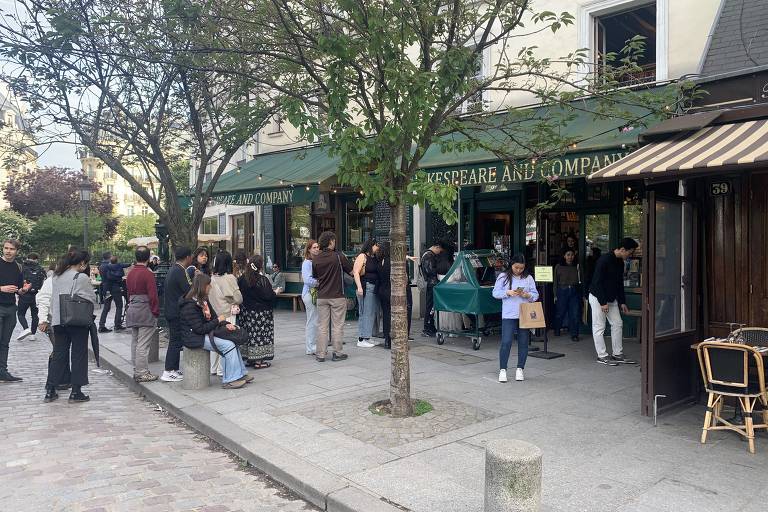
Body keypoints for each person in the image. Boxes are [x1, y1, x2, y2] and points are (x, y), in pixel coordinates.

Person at [179, 273, 253, 389]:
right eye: (209, 285)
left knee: (232, 341)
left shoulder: (203, 301)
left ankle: (240, 374)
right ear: (203, 286)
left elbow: (214, 318)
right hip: (193, 337)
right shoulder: (189, 306)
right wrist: (218, 320)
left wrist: (227, 324)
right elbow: (200, 329)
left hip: (205, 333)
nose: (211, 287)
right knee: (228, 345)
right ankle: (230, 379)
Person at [43, 248, 98, 402]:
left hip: (59, 320)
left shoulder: (56, 276)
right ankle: (76, 391)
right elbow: (91, 298)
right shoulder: (81, 277)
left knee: (59, 355)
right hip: (76, 319)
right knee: (79, 354)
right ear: (82, 263)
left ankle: (50, 389)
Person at [589, 237, 639, 366]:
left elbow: (619, 284)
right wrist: (603, 302)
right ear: (622, 249)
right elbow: (597, 282)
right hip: (598, 297)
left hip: (611, 298)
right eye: (630, 252)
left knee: (618, 323)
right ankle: (602, 355)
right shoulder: (604, 260)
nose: (631, 255)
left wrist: (622, 302)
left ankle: (617, 354)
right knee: (599, 326)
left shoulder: (620, 262)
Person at [492, 253, 538, 383]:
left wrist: (527, 294)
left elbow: (535, 294)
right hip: (509, 314)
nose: (518, 270)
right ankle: (503, 369)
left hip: (524, 314)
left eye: (521, 268)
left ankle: (520, 369)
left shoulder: (528, 278)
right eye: (516, 267)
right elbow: (495, 293)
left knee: (523, 343)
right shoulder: (503, 276)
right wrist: (507, 292)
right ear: (511, 265)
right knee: (506, 342)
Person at [312, 231, 351, 363]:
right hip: (337, 296)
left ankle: (320, 354)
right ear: (330, 242)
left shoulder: (316, 258)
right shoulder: (339, 257)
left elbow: (316, 276)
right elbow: (351, 271)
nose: (335, 243)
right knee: (337, 326)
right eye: (334, 241)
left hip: (322, 296)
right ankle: (337, 353)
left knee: (322, 326)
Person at [125, 246, 160, 382]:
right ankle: (142, 372)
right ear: (148, 258)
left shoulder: (130, 273)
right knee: (143, 344)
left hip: (133, 307)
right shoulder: (148, 273)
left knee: (135, 341)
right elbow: (153, 295)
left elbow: (128, 293)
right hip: (145, 309)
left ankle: (137, 368)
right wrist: (155, 311)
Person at [0, 239, 31, 382]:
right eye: (6, 248)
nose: (8, 251)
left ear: (16, 251)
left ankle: (3, 371)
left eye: (11, 249)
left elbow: (18, 289)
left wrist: (23, 290)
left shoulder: (18, 267)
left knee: (5, 342)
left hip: (11, 308)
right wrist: (1, 288)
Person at [37, 263, 72, 390]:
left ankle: (63, 379)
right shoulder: (51, 281)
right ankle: (52, 383)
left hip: (67, 320)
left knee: (62, 350)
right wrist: (43, 320)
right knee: (58, 350)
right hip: (54, 320)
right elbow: (43, 299)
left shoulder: (72, 279)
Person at [161, 246, 193, 382]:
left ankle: (173, 368)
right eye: (191, 256)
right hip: (175, 312)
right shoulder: (180, 271)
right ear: (187, 257)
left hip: (171, 310)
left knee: (176, 340)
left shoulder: (174, 269)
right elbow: (188, 290)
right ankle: (169, 370)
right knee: (175, 341)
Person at [238, 255, 276, 368]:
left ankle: (249, 357)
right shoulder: (262, 280)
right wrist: (276, 293)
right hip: (261, 313)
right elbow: (268, 295)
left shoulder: (241, 279)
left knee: (248, 335)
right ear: (260, 266)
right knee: (260, 335)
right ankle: (259, 361)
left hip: (246, 312)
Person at [208, 250, 243, 376]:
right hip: (227, 314)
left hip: (214, 315)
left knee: (215, 341)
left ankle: (213, 368)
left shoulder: (211, 278)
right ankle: (222, 369)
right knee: (228, 341)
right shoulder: (230, 278)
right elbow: (238, 298)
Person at [376, 241, 414, 350]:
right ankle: (401, 340)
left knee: (387, 316)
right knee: (402, 316)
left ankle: (388, 341)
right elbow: (405, 278)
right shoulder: (398, 262)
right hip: (396, 292)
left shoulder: (380, 262)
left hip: (383, 291)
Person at [419, 239, 450, 337]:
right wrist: (440, 269)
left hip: (432, 283)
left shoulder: (427, 255)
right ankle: (428, 328)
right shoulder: (429, 256)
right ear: (437, 247)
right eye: (440, 250)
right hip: (432, 284)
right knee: (430, 306)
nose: (439, 252)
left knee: (431, 306)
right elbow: (430, 271)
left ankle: (430, 326)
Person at [353, 239, 380, 348]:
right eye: (376, 245)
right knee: (365, 312)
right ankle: (361, 338)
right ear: (371, 245)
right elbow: (356, 272)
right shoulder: (362, 256)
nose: (377, 248)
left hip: (374, 286)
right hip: (366, 286)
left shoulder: (373, 257)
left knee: (371, 312)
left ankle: (367, 337)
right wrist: (359, 287)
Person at [554, 249, 581, 342]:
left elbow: (582, 279)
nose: (570, 257)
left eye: (572, 255)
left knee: (574, 313)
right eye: (568, 254)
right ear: (564, 256)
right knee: (560, 312)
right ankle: (557, 328)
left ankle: (574, 334)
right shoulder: (559, 266)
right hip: (562, 290)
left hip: (574, 290)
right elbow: (555, 282)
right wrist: (555, 294)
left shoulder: (577, 266)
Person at [98, 254, 130, 332]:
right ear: (109, 257)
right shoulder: (111, 266)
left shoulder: (101, 266)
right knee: (119, 305)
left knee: (106, 307)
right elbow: (121, 267)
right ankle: (117, 324)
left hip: (106, 288)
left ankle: (101, 325)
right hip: (114, 287)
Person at [17, 252, 45, 341]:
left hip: (24, 294)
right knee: (35, 316)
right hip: (36, 295)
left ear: (27, 257)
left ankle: (26, 328)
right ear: (37, 259)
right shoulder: (40, 268)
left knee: (21, 314)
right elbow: (43, 281)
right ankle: (33, 334)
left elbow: (18, 280)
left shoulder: (22, 267)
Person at [301, 240, 320, 355]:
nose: (317, 249)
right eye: (314, 247)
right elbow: (307, 280)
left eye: (317, 247)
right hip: (309, 294)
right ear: (309, 249)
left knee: (314, 320)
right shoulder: (307, 263)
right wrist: (320, 282)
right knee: (312, 320)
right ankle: (310, 347)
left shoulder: (314, 261)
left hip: (314, 294)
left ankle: (313, 345)